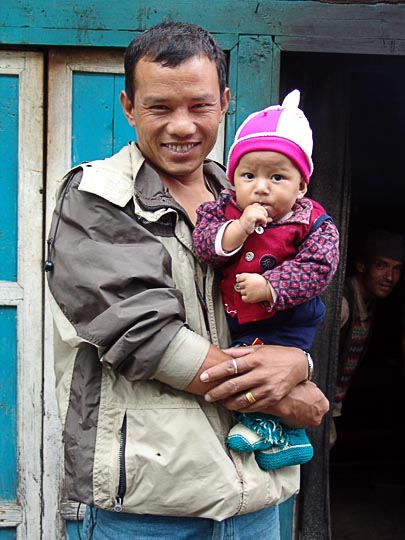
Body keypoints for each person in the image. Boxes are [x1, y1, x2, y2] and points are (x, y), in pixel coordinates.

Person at [45, 21, 329, 540]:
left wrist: (301, 360)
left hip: (253, 495)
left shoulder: (246, 192)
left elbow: (290, 300)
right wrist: (284, 399)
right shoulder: (98, 197)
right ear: (129, 107)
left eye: (199, 106)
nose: (182, 126)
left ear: (224, 102)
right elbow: (147, 337)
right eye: (159, 107)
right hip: (149, 506)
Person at [193, 90, 339, 471]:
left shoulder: (313, 221)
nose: (261, 187)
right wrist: (239, 228)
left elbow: (319, 266)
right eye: (248, 175)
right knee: (249, 362)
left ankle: (274, 430)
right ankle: (280, 434)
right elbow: (206, 246)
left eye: (277, 177)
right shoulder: (221, 210)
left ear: (301, 186)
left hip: (290, 323)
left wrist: (271, 286)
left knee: (266, 369)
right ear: (233, 179)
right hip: (240, 322)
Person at [331, 228, 404, 445]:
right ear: (362, 266)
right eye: (381, 265)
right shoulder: (343, 304)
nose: (390, 277)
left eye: (397, 269)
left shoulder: (371, 305)